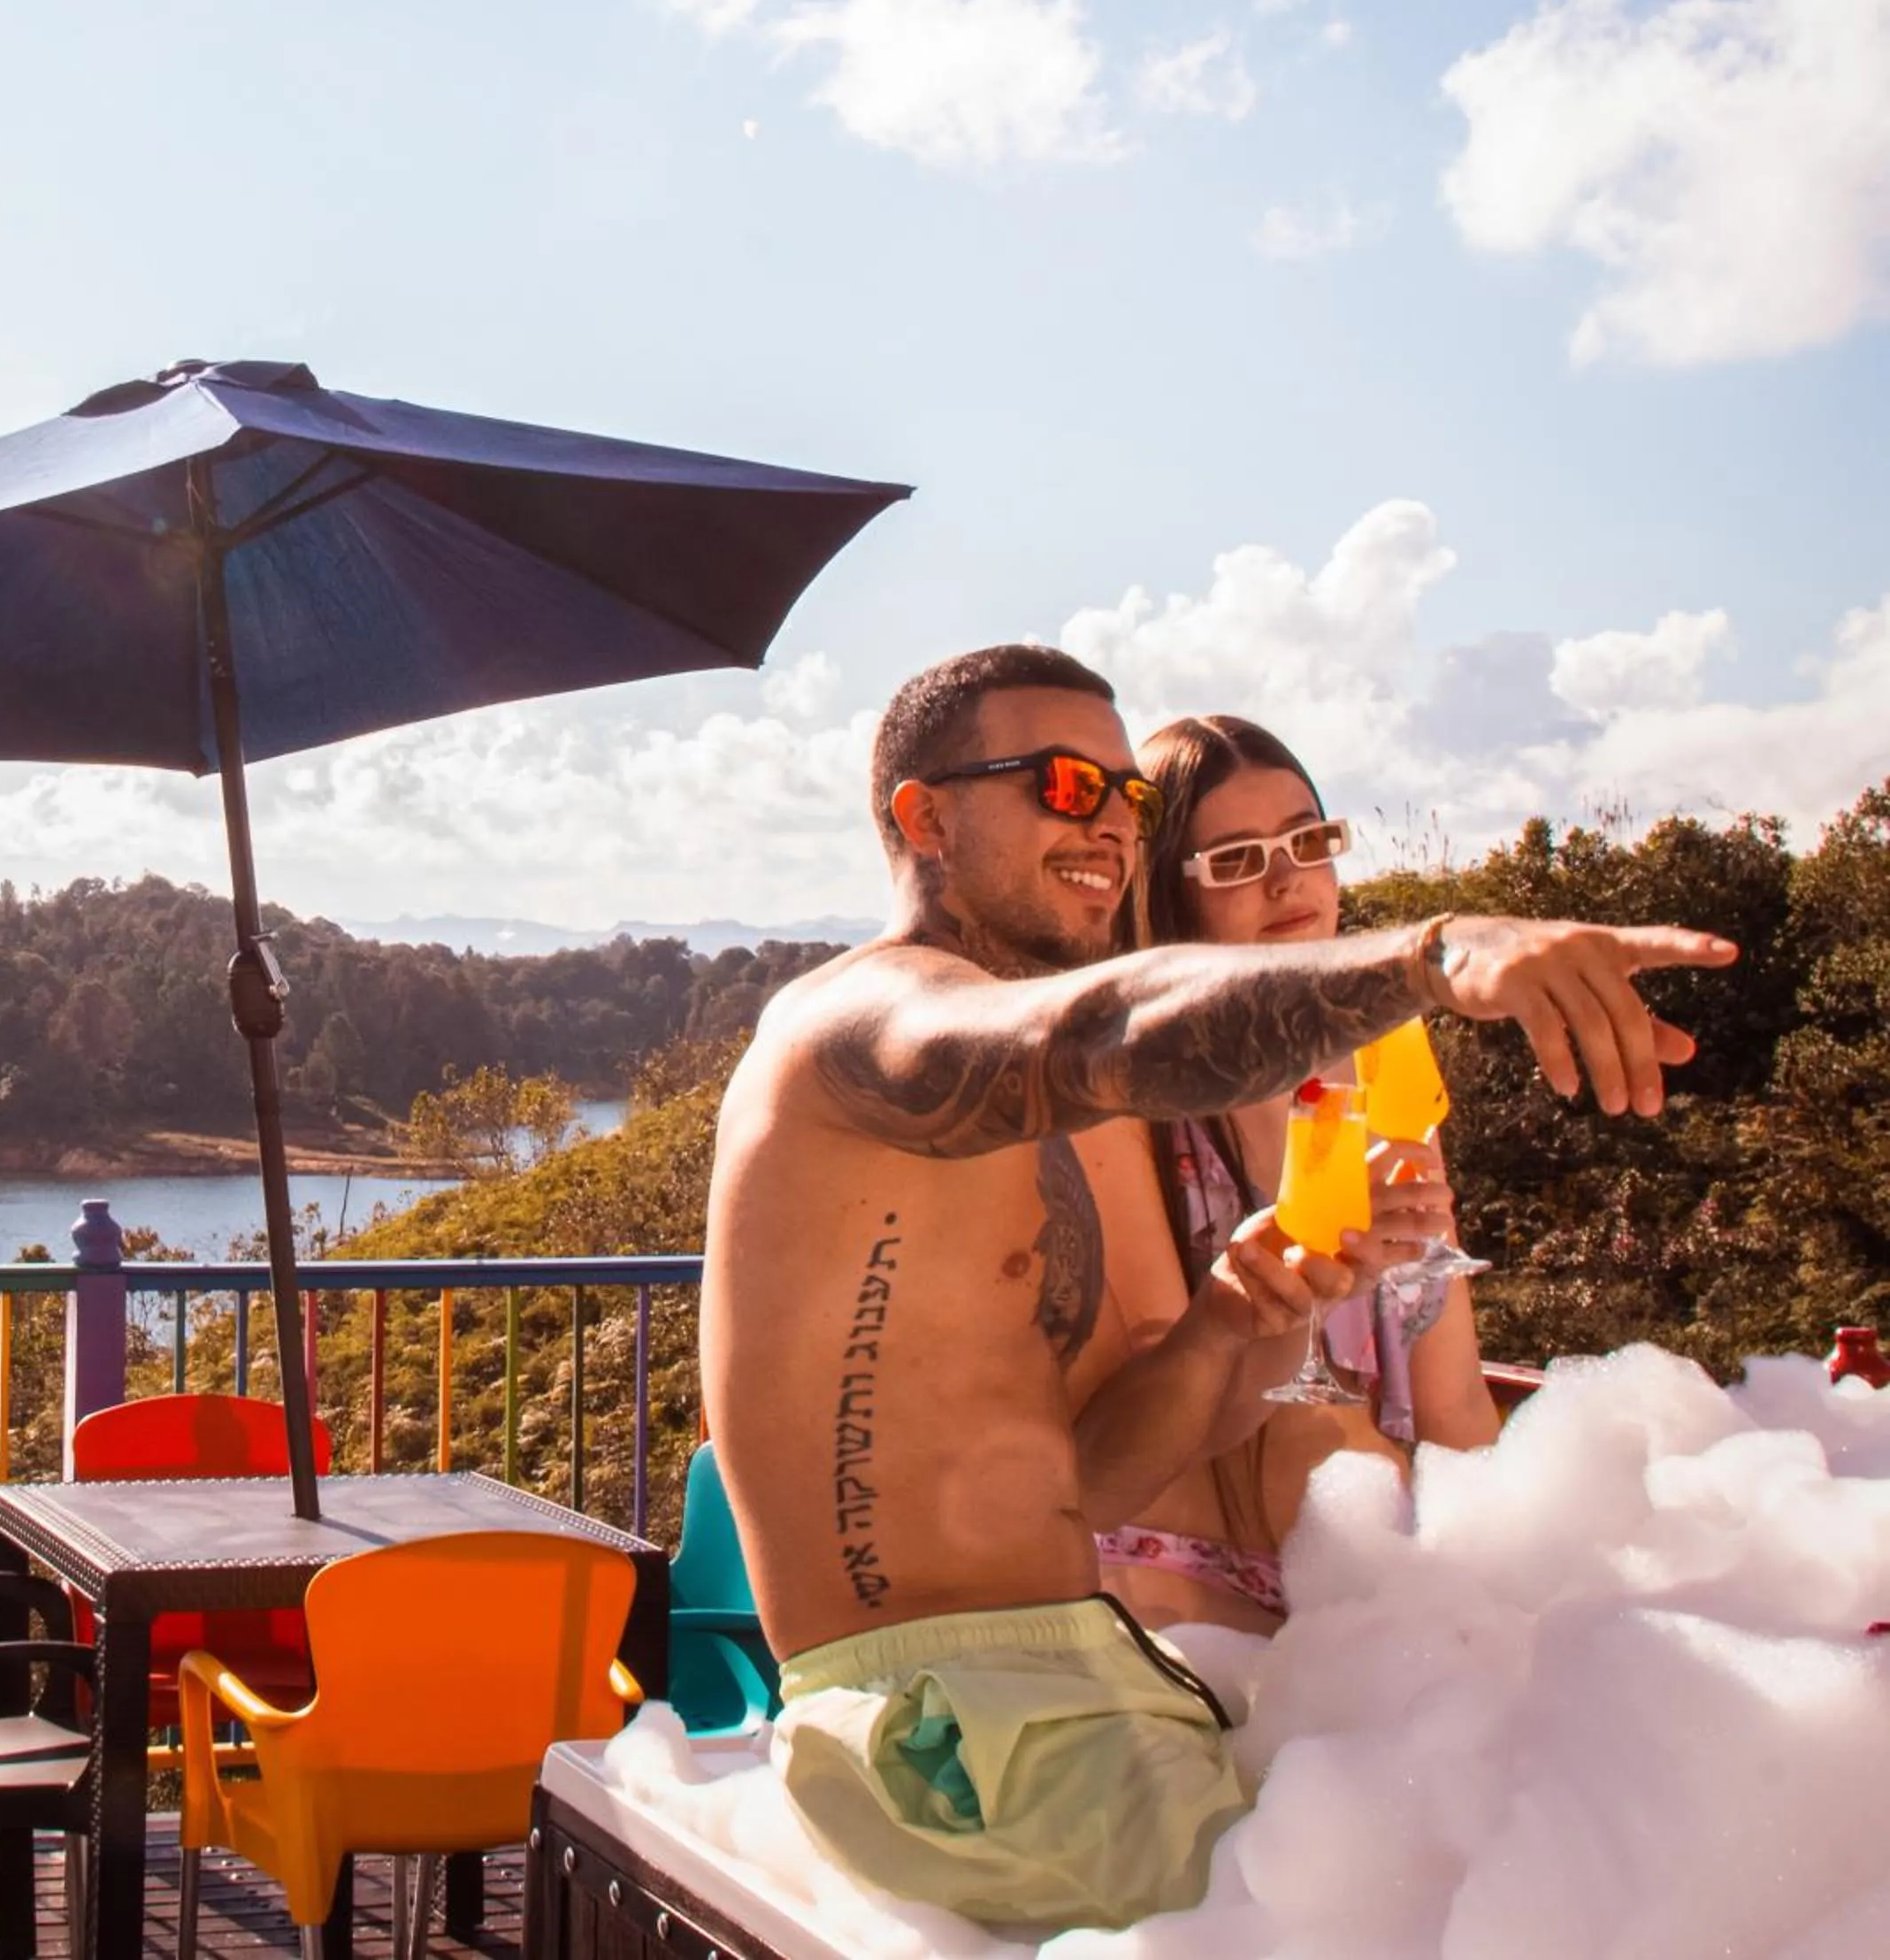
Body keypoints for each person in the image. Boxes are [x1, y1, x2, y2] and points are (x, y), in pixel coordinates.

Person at [700, 643, 1731, 1934]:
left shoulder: (1002, 1138)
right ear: (924, 818)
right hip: (967, 1727)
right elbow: (1098, 1030)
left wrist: (1239, 1318)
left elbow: (1090, 1486)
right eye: (1064, 785)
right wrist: (1433, 956)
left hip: (1045, 1700)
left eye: (1127, 798)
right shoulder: (862, 1025)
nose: (1108, 825)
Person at [1068, 715, 1501, 1641]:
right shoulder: (1130, 1106)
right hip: (1194, 1590)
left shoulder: (1383, 1063)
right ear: (1165, 893)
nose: (1286, 880)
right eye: (1235, 861)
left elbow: (1455, 1398)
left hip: (1372, 1581)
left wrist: (1519, 1590)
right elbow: (1152, 1434)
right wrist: (1305, 1275)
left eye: (1309, 843)